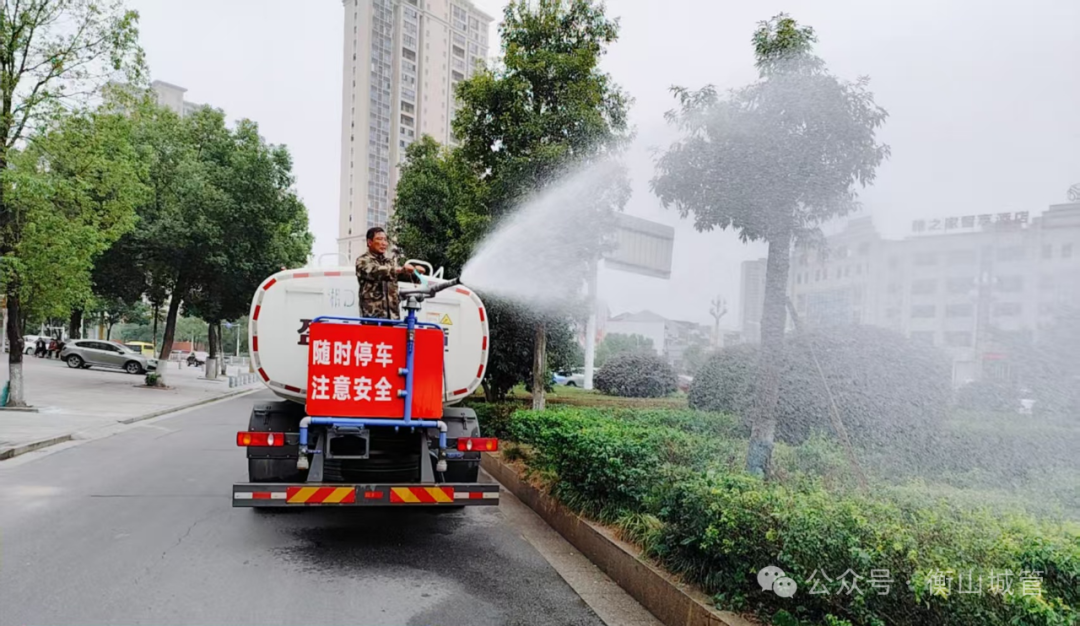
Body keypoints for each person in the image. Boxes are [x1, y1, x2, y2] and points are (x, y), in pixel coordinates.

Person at [355, 227, 425, 320]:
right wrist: (400, 269)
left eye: (385, 240)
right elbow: (377, 271)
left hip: (393, 318)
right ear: (369, 242)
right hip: (373, 319)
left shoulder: (390, 262)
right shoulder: (362, 260)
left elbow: (403, 276)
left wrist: (415, 273)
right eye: (379, 239)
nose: (384, 243)